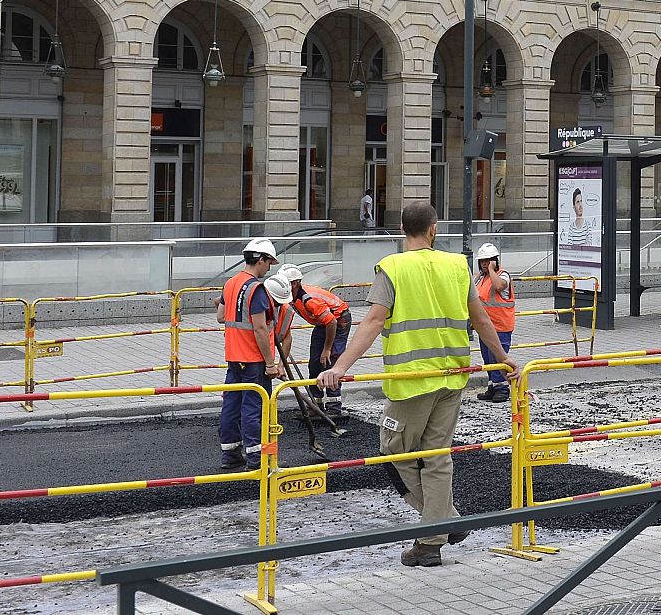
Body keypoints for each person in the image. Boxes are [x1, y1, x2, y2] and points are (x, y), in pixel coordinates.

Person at [318, 201, 514, 568]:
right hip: (452, 377)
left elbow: (373, 321)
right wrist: (502, 358)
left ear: (401, 231)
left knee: (394, 453)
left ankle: (440, 525)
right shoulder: (457, 265)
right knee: (437, 457)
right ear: (433, 229)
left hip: (411, 381)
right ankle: (435, 535)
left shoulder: (392, 268)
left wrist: (340, 367)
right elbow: (481, 317)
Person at [217, 238, 291, 470]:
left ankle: (230, 454)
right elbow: (259, 328)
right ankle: (256, 458)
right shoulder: (256, 289)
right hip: (253, 359)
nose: (269, 268)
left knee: (231, 404)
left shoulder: (230, 283)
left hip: (234, 356)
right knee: (254, 408)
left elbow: (220, 316)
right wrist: (270, 363)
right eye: (269, 263)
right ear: (261, 260)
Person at [280, 265, 351, 416]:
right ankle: (315, 404)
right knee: (315, 362)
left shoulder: (309, 299)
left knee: (331, 360)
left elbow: (332, 322)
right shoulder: (290, 295)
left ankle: (334, 406)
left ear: (295, 283)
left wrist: (327, 349)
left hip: (338, 319)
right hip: (322, 322)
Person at [473, 242, 516, 403]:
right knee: (488, 358)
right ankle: (493, 386)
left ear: (495, 261)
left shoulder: (502, 275)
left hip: (500, 326)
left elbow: (498, 286)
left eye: (488, 260)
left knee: (498, 358)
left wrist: (491, 269)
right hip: (485, 328)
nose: (484, 263)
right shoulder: (479, 278)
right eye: (482, 261)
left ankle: (502, 388)